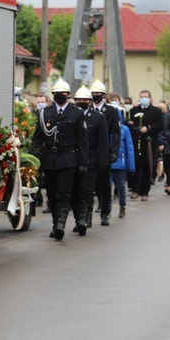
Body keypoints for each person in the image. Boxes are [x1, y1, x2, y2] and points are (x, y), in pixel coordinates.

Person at [32, 78, 89, 241]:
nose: (60, 96)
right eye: (56, 94)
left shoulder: (77, 113)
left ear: (68, 95)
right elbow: (38, 138)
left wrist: (83, 162)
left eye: (62, 93)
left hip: (69, 158)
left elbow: (83, 140)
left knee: (64, 193)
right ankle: (55, 223)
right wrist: (35, 158)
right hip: (50, 158)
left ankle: (60, 224)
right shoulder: (45, 113)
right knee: (52, 193)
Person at [70, 86, 108, 234]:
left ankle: (84, 219)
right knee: (74, 193)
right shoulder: (71, 116)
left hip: (91, 160)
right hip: (73, 159)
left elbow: (103, 142)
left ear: (90, 101)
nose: (82, 102)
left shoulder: (99, 118)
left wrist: (103, 162)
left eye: (85, 100)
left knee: (86, 192)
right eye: (79, 100)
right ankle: (78, 218)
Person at [89, 80, 120, 226]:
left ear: (103, 95)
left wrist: (114, 152)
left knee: (105, 183)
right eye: (93, 93)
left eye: (98, 94)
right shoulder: (87, 110)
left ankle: (105, 212)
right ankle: (86, 215)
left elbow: (116, 133)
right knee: (89, 184)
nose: (95, 96)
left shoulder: (112, 111)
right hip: (89, 152)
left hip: (104, 151)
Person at [127, 90, 163, 201]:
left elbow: (160, 124)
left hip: (149, 142)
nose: (144, 98)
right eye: (142, 96)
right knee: (136, 167)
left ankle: (144, 192)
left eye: (146, 97)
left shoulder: (156, 111)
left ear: (150, 99)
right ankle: (135, 189)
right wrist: (136, 128)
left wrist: (148, 128)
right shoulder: (133, 111)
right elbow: (129, 124)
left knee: (148, 167)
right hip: (136, 142)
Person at [111, 109, 135, 218]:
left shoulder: (125, 129)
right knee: (106, 187)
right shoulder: (106, 128)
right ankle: (106, 209)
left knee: (121, 186)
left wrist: (131, 166)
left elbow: (129, 148)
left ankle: (122, 206)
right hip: (108, 163)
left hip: (121, 163)